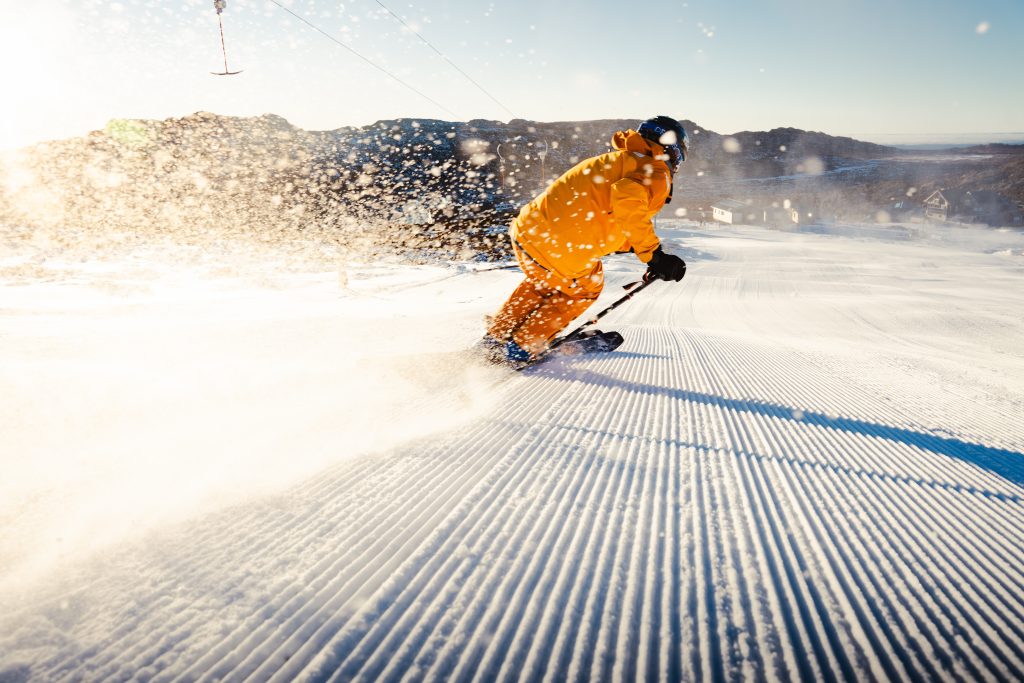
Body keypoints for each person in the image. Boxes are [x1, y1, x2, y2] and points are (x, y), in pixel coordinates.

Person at [478, 115, 689, 365]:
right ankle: (523, 346)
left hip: (527, 232)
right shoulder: (655, 169)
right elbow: (627, 201)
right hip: (561, 245)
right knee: (584, 289)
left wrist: (633, 246)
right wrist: (654, 255)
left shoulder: (616, 160)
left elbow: (606, 216)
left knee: (545, 282)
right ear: (672, 149)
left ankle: (496, 336)